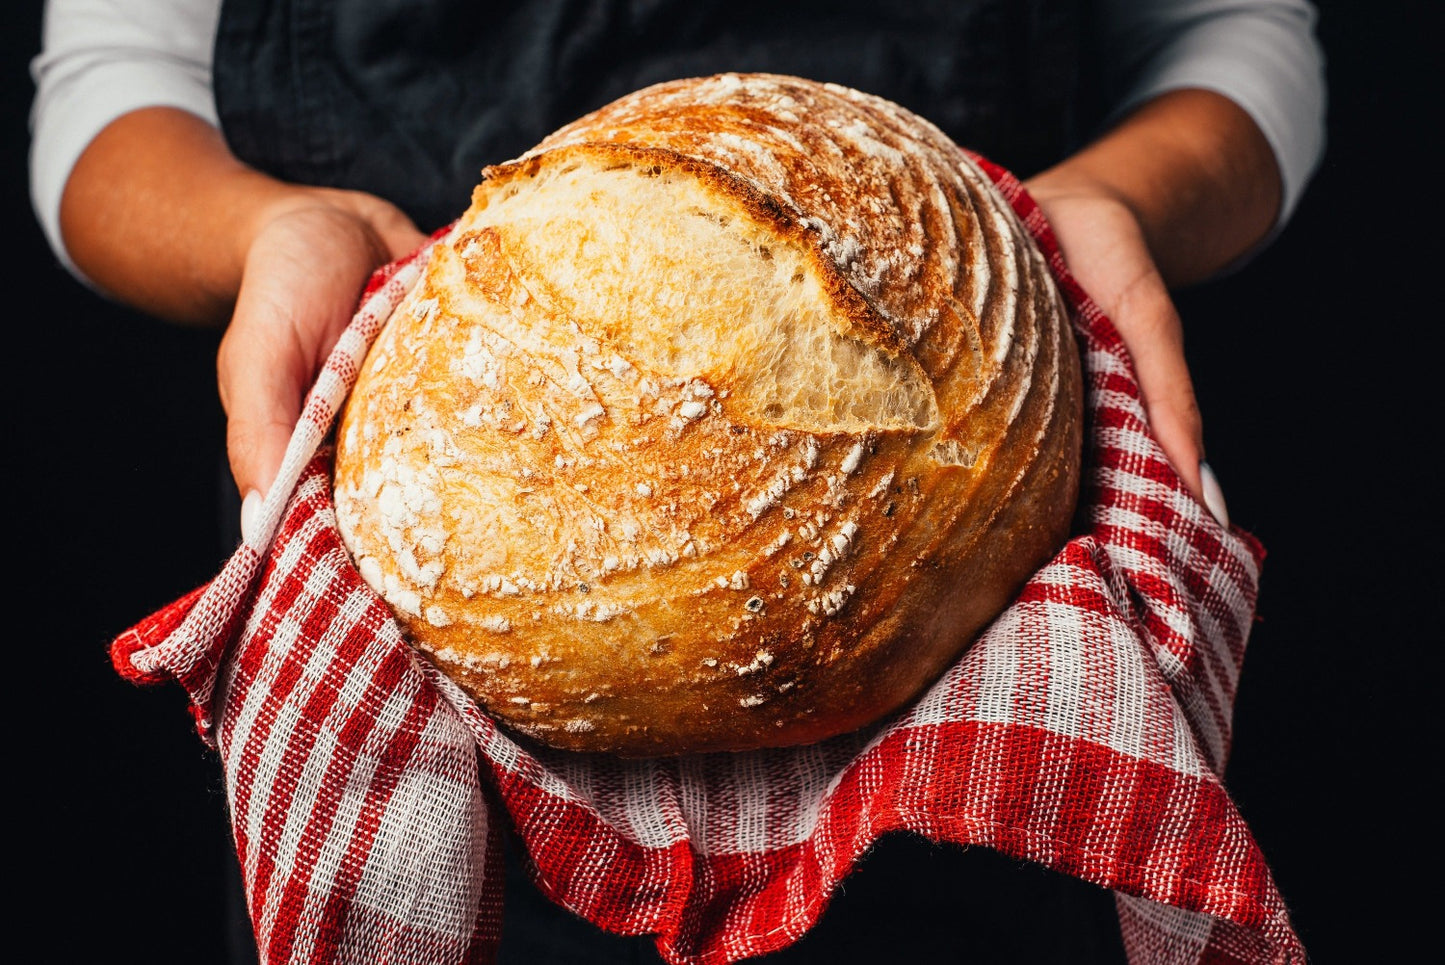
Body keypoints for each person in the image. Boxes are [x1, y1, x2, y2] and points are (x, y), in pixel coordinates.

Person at [30, 1, 1326, 961]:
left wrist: (1111, 200)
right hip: (419, 727)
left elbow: (1233, 36)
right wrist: (266, 229)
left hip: (987, 754)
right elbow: (107, 89)